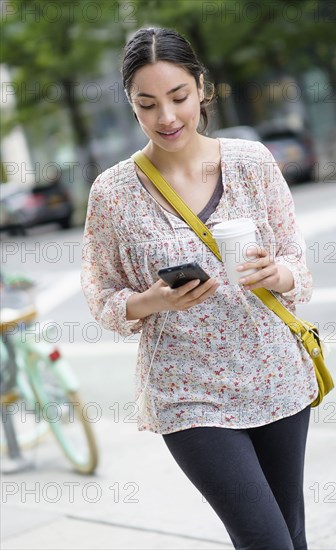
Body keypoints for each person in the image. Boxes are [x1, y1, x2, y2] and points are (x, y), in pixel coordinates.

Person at [81, 26, 318, 550]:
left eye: (178, 97)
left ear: (202, 87)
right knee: (265, 539)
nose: (166, 117)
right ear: (131, 105)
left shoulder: (253, 164)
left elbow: (299, 269)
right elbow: (101, 296)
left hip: (276, 373)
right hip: (188, 394)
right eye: (147, 104)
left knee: (293, 533)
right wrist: (153, 300)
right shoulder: (113, 193)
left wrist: (274, 273)